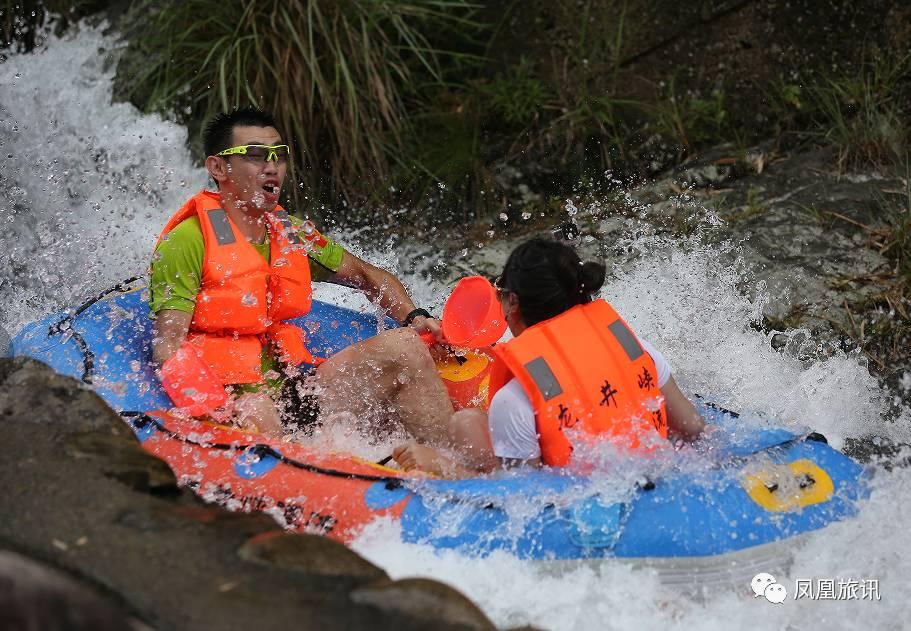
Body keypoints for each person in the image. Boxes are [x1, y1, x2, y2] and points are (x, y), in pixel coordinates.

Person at [149, 106, 454, 442]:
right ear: (218, 167)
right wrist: (218, 413)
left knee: (406, 346)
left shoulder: (289, 233)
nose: (272, 167)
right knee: (258, 411)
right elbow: (169, 347)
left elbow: (367, 276)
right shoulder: (189, 240)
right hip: (237, 402)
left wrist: (414, 317)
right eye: (255, 155)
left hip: (295, 393)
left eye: (279, 155)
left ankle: (449, 469)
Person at [393, 238, 706, 476]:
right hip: (656, 473)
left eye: (501, 293)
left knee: (466, 424)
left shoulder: (515, 400)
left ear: (512, 302)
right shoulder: (636, 347)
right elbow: (692, 428)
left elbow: (523, 501)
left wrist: (443, 467)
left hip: (588, 509)